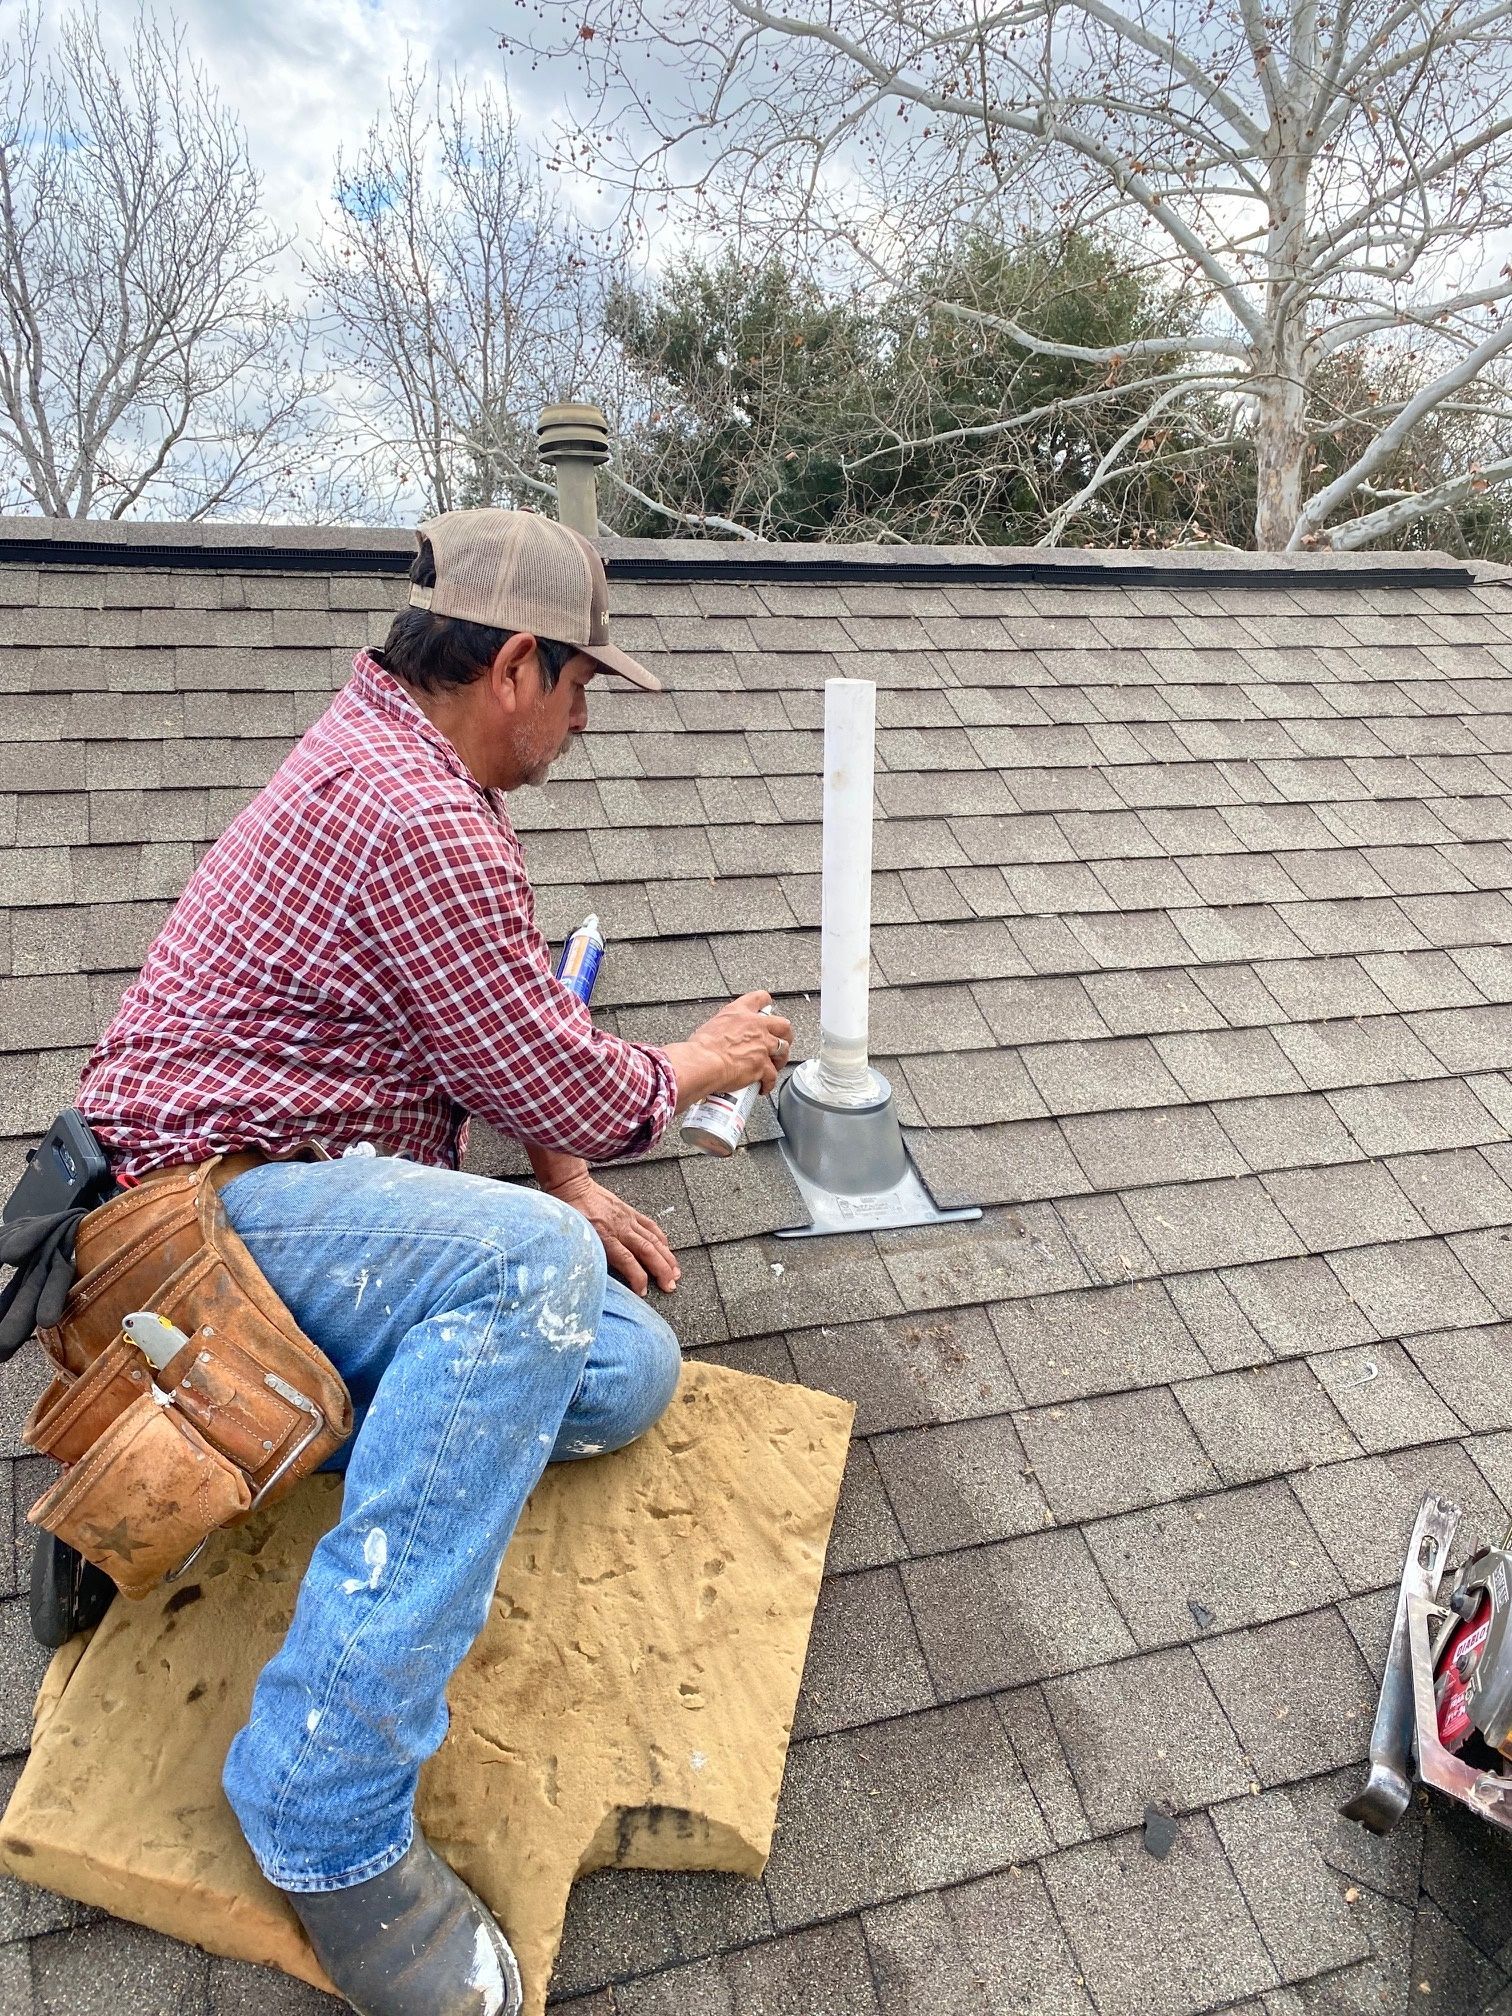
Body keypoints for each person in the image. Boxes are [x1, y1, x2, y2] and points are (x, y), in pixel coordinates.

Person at [74, 509, 794, 2016]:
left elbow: (491, 1036)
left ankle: (186, 1437)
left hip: (284, 1220)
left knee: (622, 1371)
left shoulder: (404, 764)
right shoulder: (414, 816)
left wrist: (565, 1178)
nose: (589, 719)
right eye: (585, 685)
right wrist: (695, 1063)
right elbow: (572, 1069)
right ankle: (321, 1803)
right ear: (515, 662)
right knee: (527, 1278)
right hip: (197, 1230)